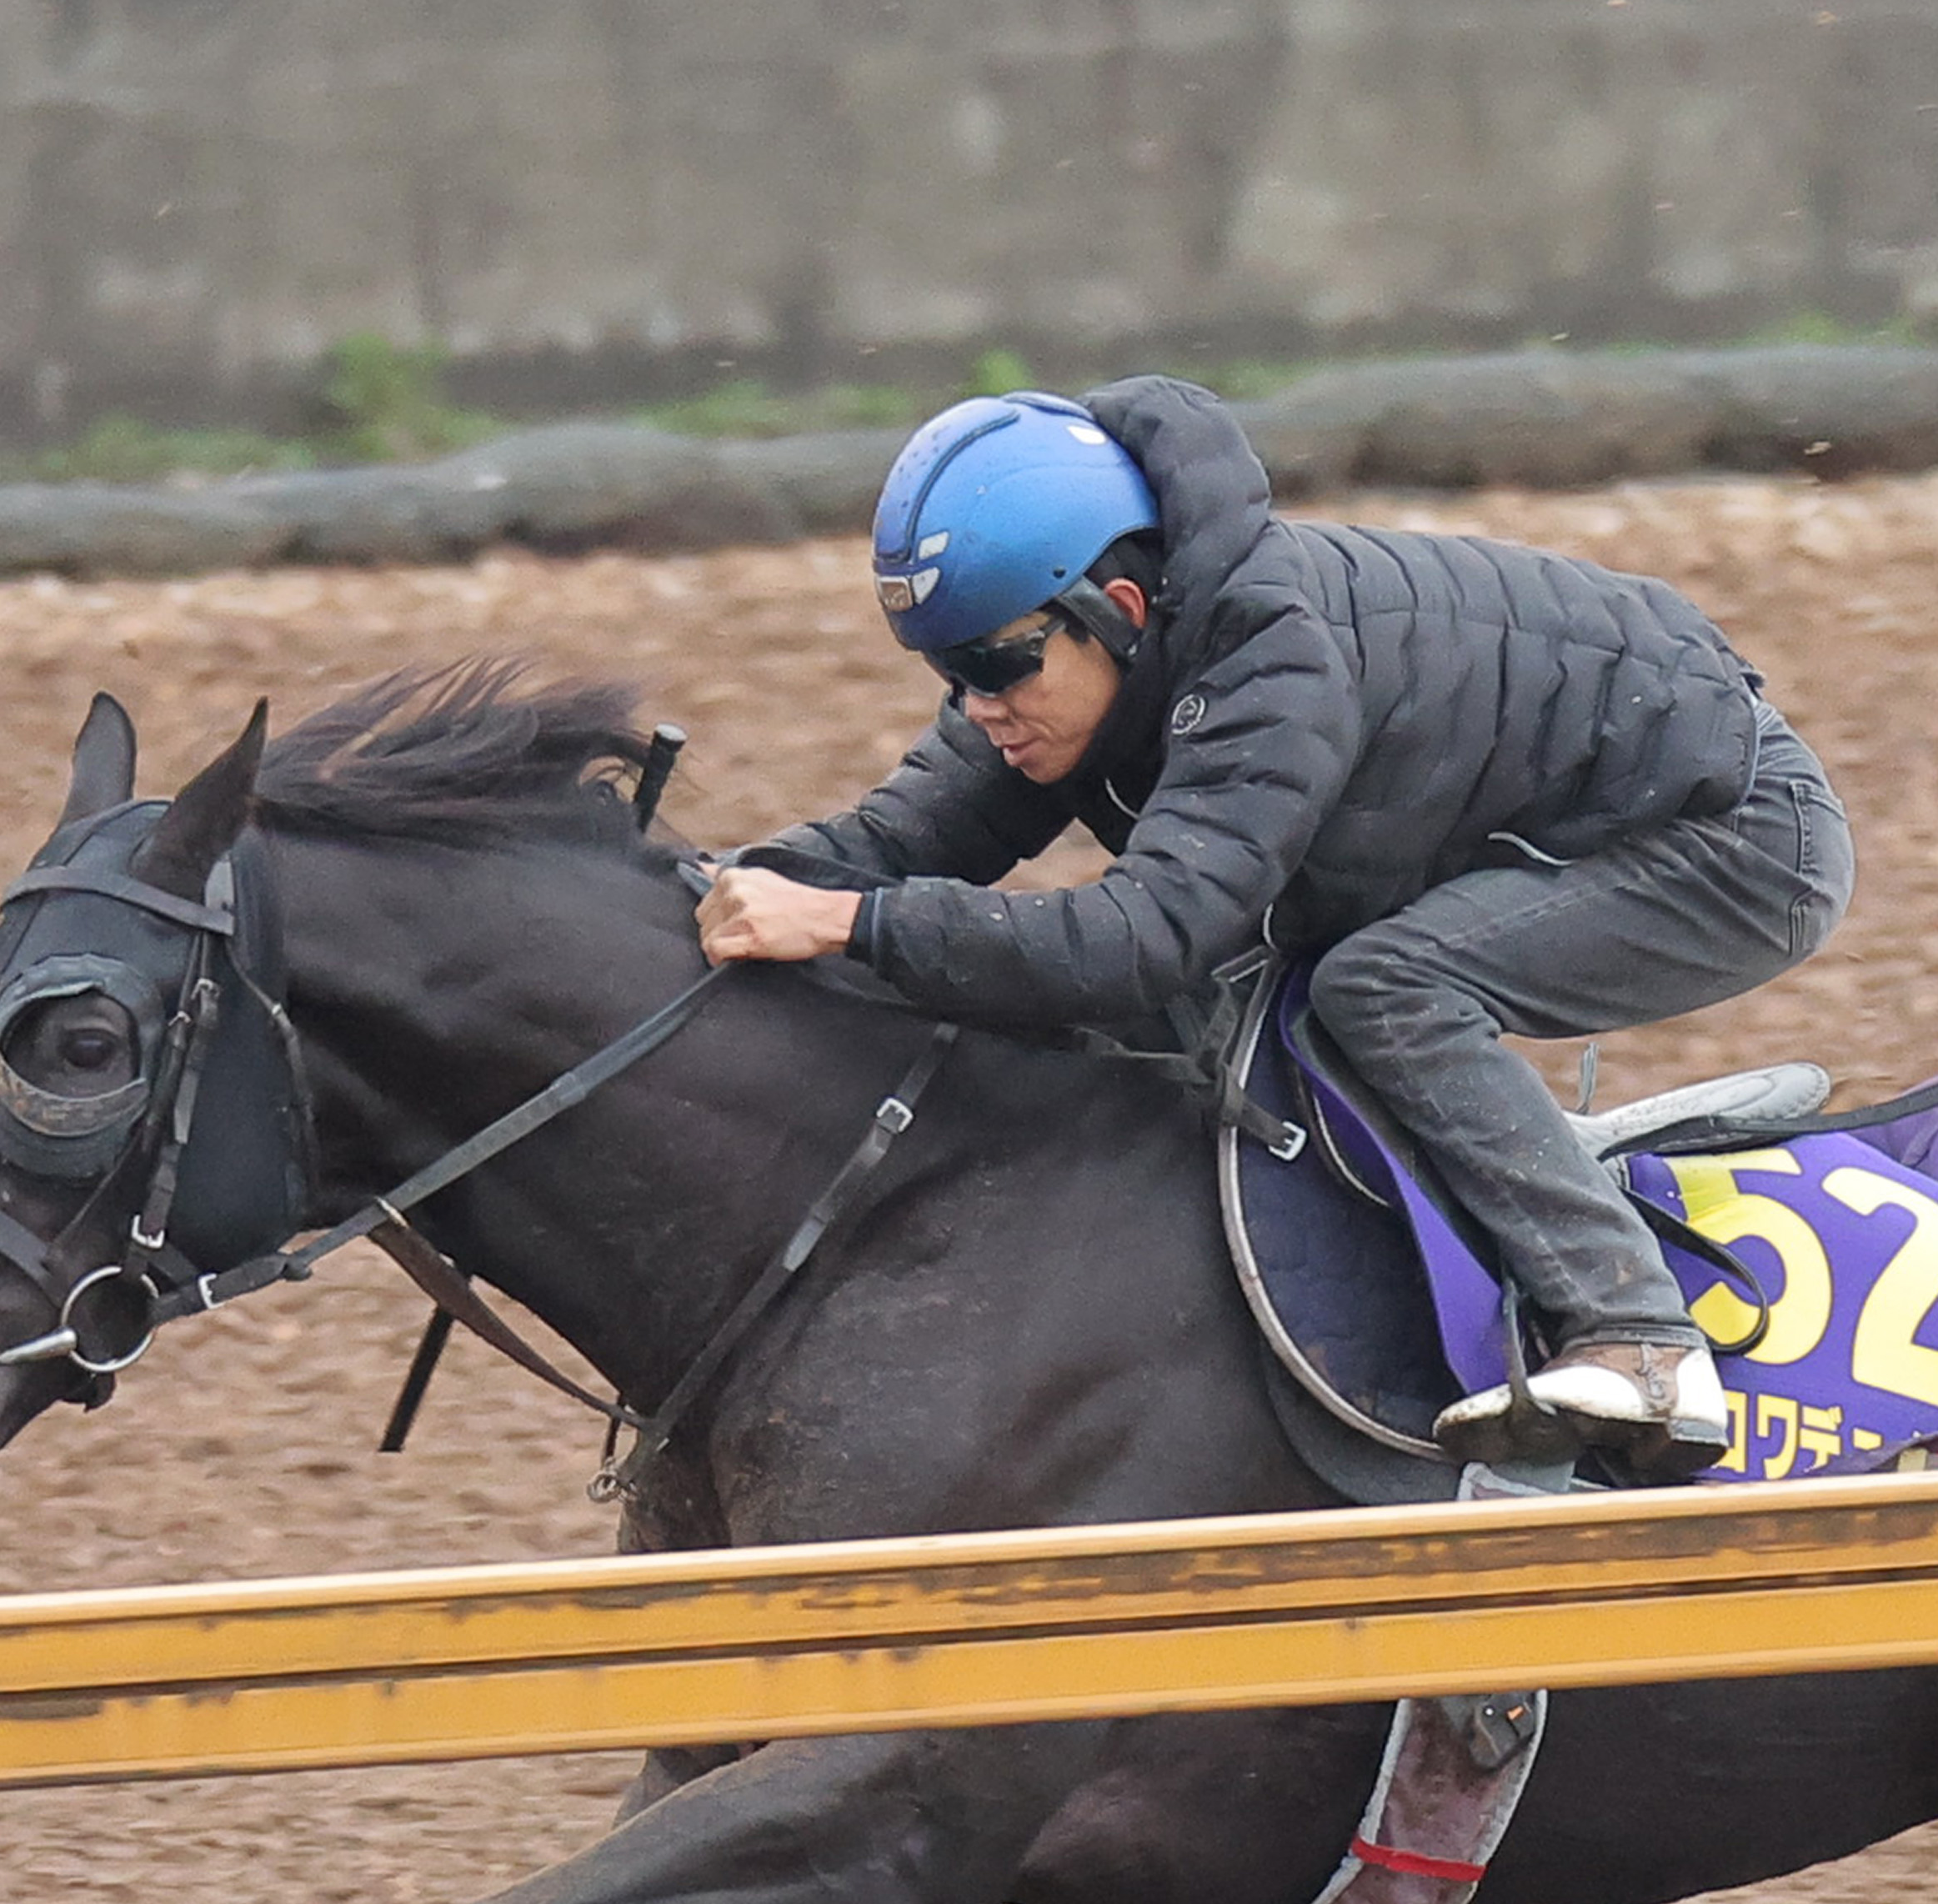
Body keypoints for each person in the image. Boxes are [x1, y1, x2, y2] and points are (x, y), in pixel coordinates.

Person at [693, 379, 1854, 1479]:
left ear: (1122, 609)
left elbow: (1132, 942)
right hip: (1546, 798)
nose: (976, 704)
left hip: (1735, 834)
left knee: (1382, 991)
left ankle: (1640, 1339)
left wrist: (854, 925)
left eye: (997, 662)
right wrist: (687, 888)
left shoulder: (1270, 659)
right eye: (947, 671)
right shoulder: (1078, 670)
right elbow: (889, 843)